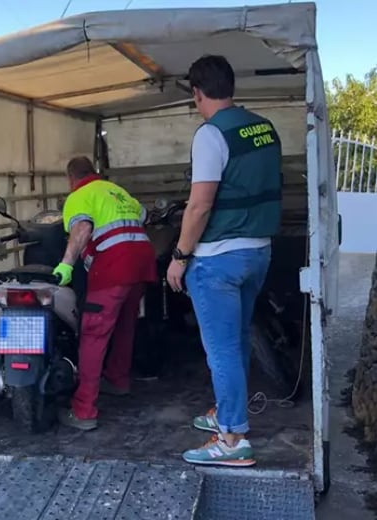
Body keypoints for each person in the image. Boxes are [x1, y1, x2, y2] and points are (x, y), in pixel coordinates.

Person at [166, 54, 283, 467]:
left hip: (218, 260)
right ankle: (224, 409)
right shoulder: (263, 128)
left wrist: (179, 257)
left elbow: (199, 206)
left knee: (221, 349)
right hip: (259, 252)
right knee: (236, 338)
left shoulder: (210, 134)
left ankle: (232, 440)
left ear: (197, 93)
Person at [53, 156, 157, 431]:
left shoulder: (79, 196)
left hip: (113, 266)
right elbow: (144, 215)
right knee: (125, 324)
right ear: (95, 172)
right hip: (143, 263)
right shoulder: (117, 191)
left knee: (93, 334)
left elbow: (82, 228)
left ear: (70, 179)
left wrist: (66, 264)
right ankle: (118, 380)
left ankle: (84, 411)